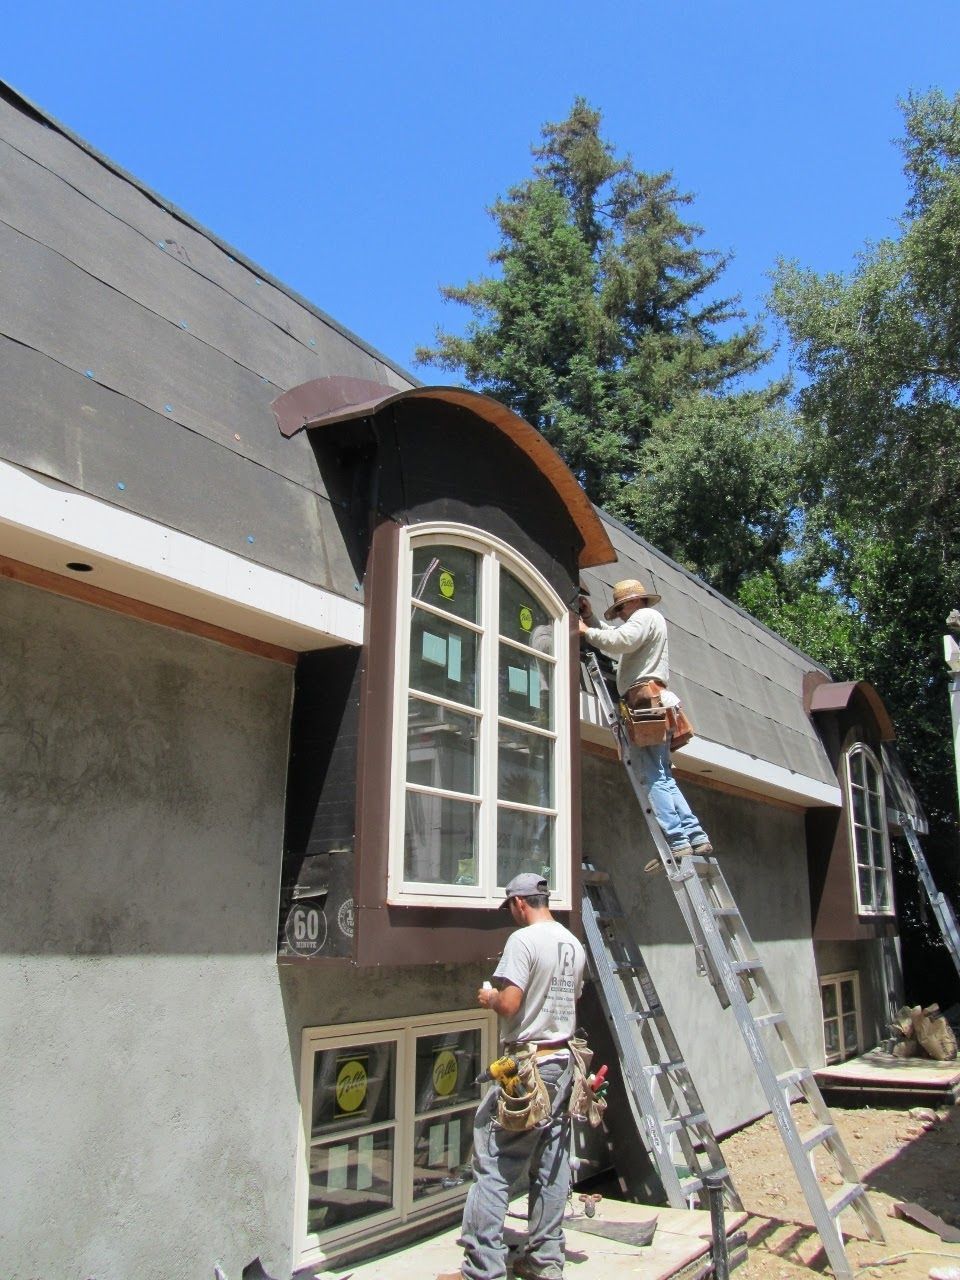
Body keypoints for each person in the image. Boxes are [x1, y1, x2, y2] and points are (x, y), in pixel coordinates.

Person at [438, 872, 586, 1280]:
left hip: (526, 1066)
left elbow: (511, 1004)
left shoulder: (523, 941)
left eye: (510, 907)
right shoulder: (573, 943)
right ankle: (544, 1262)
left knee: (492, 1157)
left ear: (520, 903)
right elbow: (571, 998)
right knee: (552, 1164)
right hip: (562, 1063)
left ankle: (481, 1270)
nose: (512, 914)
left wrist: (490, 997)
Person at [579, 578, 712, 860]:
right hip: (655, 698)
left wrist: (585, 631)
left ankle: (676, 841)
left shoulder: (645, 616)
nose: (621, 616)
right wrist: (590, 619)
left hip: (643, 698)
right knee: (663, 775)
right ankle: (695, 835)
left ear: (632, 602)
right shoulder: (649, 619)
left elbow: (621, 640)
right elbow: (620, 637)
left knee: (651, 776)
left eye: (621, 610)